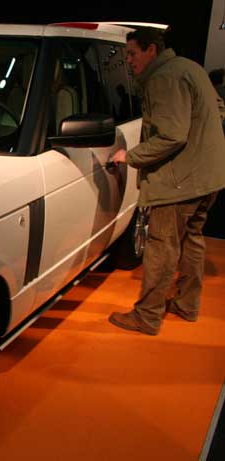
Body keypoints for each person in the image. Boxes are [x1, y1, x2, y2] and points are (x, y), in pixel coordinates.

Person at [108, 28, 225, 335]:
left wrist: (130, 156)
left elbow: (172, 135)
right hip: (207, 177)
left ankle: (147, 316)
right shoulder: (189, 67)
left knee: (162, 247)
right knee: (191, 240)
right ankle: (187, 305)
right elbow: (219, 108)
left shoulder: (163, 78)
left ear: (152, 50)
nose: (128, 60)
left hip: (179, 183)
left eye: (132, 53)